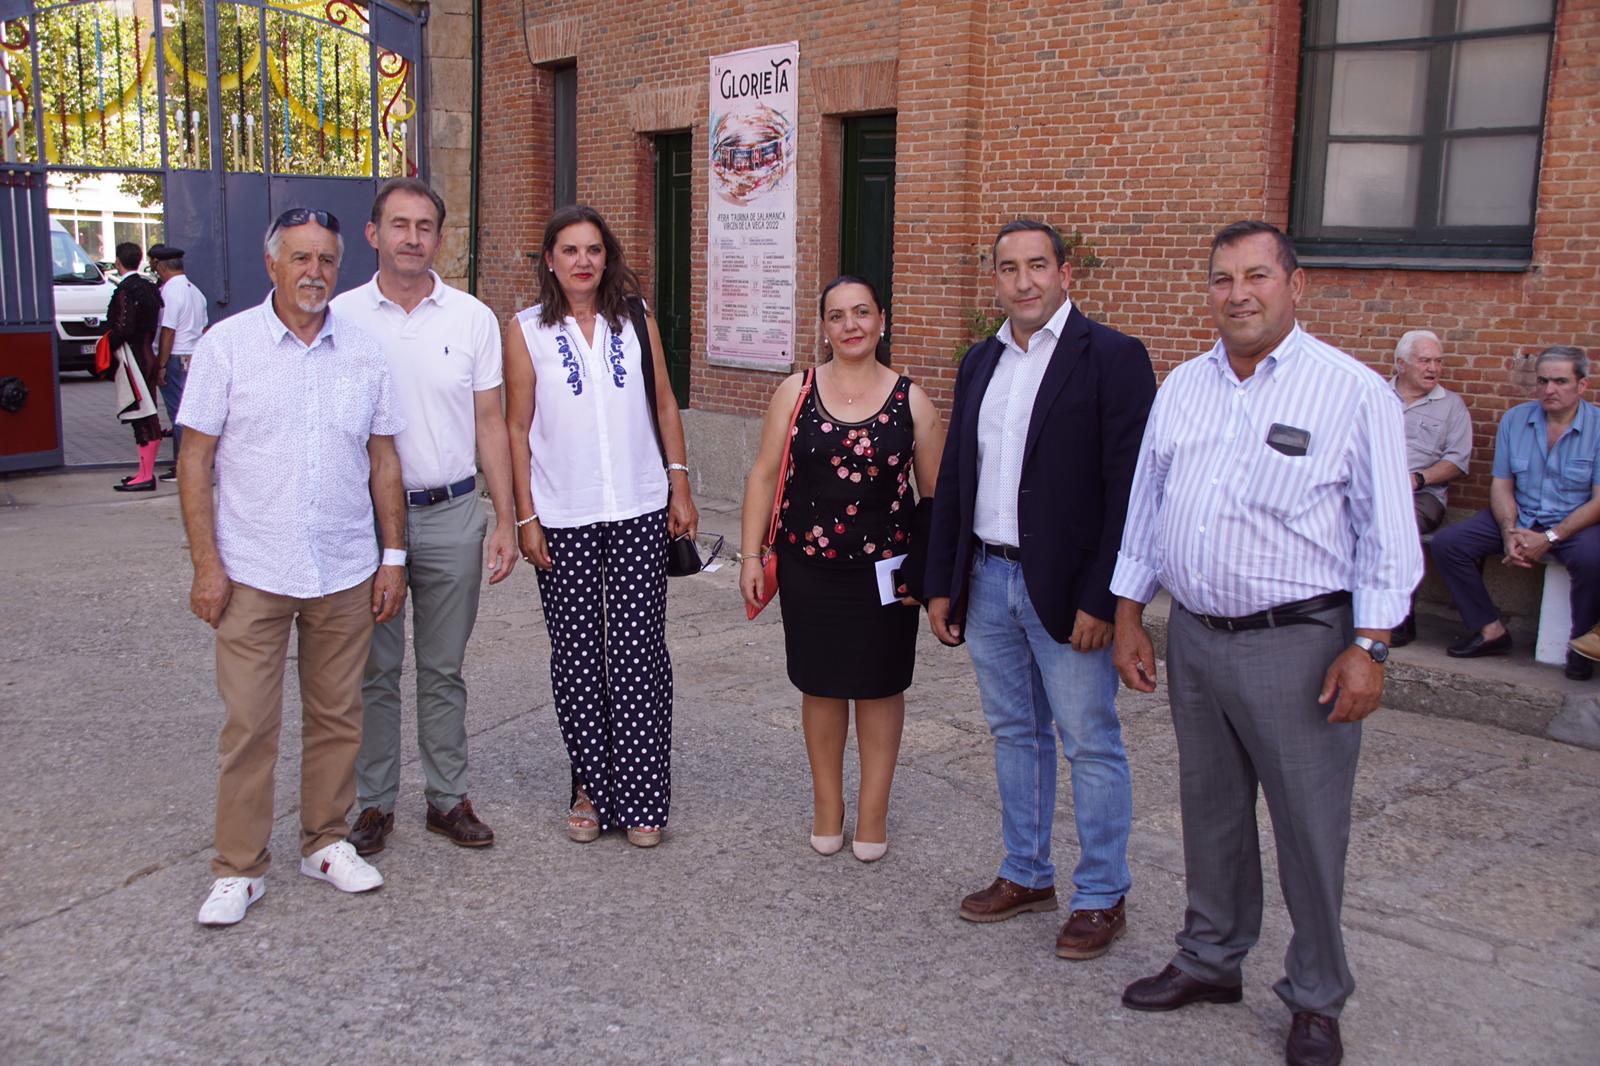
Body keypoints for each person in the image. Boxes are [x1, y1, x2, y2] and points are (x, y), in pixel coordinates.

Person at [1111, 221, 1421, 1066]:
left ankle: (1318, 995)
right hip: (1198, 640)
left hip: (1302, 647)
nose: (1238, 293)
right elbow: (1148, 504)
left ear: (1296, 285)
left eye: (1256, 276)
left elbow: (1387, 536)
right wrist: (1132, 611)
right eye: (1221, 279)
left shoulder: (1353, 394)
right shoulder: (1183, 386)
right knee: (1209, 814)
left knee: (1309, 829)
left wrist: (1371, 645)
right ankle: (1211, 959)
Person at [924, 219, 1155, 958]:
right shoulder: (978, 361)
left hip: (1068, 590)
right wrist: (942, 583)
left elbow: (1129, 492)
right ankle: (1026, 872)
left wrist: (1106, 599)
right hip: (988, 580)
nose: (1023, 281)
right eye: (1008, 268)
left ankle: (1101, 894)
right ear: (994, 278)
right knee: (1014, 733)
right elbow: (958, 474)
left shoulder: (1113, 358)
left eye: (1037, 266)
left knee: (1090, 740)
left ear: (1064, 273)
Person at [176, 207, 408, 926]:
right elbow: (195, 459)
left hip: (342, 566)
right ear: (271, 264)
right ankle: (238, 868)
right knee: (249, 724)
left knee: (339, 716)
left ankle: (325, 842)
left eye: (326, 261)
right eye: (301, 258)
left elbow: (383, 461)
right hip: (252, 569)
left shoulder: (365, 353)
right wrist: (206, 565)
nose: (315, 273)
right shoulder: (227, 347)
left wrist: (391, 556)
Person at [503, 204, 698, 848]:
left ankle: (642, 798)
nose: (583, 261)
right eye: (569, 250)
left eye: (593, 249)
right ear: (550, 261)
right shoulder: (527, 329)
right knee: (579, 657)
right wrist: (524, 515)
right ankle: (590, 786)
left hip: (640, 506)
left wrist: (679, 481)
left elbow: (663, 399)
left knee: (640, 654)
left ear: (606, 257)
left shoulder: (634, 319)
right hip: (562, 514)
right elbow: (515, 426)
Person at [332, 177, 517, 854]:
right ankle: (374, 804)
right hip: (366, 524)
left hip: (451, 513)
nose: (413, 238)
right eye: (399, 225)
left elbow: (490, 423)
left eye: (425, 226)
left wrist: (506, 518)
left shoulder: (470, 317)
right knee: (373, 672)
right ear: (372, 233)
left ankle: (447, 797)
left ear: (441, 237)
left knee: (443, 668)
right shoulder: (343, 317)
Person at [738, 276, 945, 862]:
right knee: (821, 687)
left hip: (887, 575)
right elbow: (762, 474)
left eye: (861, 312)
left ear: (881, 319)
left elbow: (934, 498)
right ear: (823, 327)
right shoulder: (796, 392)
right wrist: (752, 556)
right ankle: (828, 807)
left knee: (881, 689)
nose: (850, 325)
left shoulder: (913, 400)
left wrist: (928, 583)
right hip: (810, 569)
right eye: (837, 315)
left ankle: (874, 812)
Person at [1430, 345, 1600, 681]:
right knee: (1449, 543)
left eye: (1560, 381)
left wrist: (1550, 537)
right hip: (1521, 516)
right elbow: (1502, 485)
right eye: (1542, 381)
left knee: (1592, 560)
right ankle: (1489, 629)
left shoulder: (1597, 427)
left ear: (1582, 385)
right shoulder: (1516, 420)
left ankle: (1580, 645)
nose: (1549, 389)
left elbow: (1598, 500)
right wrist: (1509, 532)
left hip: (1574, 522)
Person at [1389, 329, 1473, 646]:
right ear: (1401, 364)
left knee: (1396, 528)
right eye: (1425, 361)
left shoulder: (1451, 406)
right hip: (1371, 488)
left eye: (1438, 361)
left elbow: (1457, 460)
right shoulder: (1375, 397)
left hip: (1422, 496)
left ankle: (1400, 617)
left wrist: (1418, 478)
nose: (1433, 369)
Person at [105, 241, 164, 493]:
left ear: (118, 262)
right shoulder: (151, 289)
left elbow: (124, 327)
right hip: (148, 352)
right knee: (147, 413)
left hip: (133, 357)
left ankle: (146, 475)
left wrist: (107, 342)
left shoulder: (126, 290)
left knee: (142, 415)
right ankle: (144, 471)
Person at [150, 244, 208, 483]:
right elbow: (204, 328)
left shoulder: (171, 292)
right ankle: (197, 465)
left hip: (175, 357)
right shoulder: (196, 291)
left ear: (159, 266)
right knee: (192, 410)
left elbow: (168, 330)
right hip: (193, 354)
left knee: (179, 414)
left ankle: (185, 468)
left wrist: (161, 365)